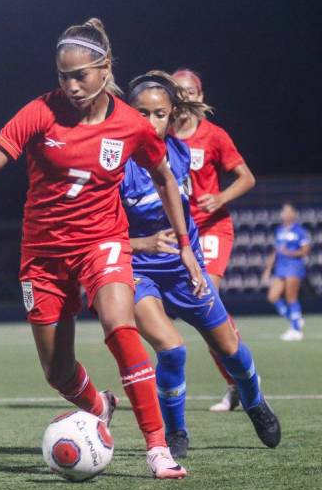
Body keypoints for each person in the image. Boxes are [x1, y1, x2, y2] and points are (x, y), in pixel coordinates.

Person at [0, 18, 204, 479]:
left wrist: (188, 248)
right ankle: (100, 404)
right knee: (57, 372)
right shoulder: (39, 112)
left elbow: (166, 180)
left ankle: (158, 449)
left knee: (119, 324)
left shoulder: (131, 125)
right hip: (43, 255)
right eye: (63, 76)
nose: (71, 86)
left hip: (102, 243)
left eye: (81, 76)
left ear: (105, 67)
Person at [122, 71, 281, 457]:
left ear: (172, 115)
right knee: (172, 350)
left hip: (184, 266)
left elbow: (220, 154)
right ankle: (176, 433)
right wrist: (139, 243)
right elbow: (97, 231)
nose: (150, 122)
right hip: (138, 269)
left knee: (229, 346)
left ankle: (255, 401)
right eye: (141, 113)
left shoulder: (179, 149)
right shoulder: (113, 162)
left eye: (159, 114)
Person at [172, 68, 257, 412]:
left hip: (212, 229)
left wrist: (220, 198)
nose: (186, 96)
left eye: (191, 90)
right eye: (179, 91)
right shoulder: (161, 136)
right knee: (196, 310)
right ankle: (234, 381)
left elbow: (246, 178)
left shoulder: (214, 136)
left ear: (200, 96)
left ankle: (243, 376)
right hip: (180, 235)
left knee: (206, 295)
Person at [262, 203, 311, 341]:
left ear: (294, 214)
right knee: (273, 296)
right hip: (281, 267)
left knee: (291, 298)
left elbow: (306, 250)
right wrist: (268, 269)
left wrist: (290, 252)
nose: (285, 214)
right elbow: (276, 251)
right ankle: (295, 319)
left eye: (288, 211)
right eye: (284, 212)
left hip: (294, 266)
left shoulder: (300, 231)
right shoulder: (279, 230)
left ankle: (296, 330)